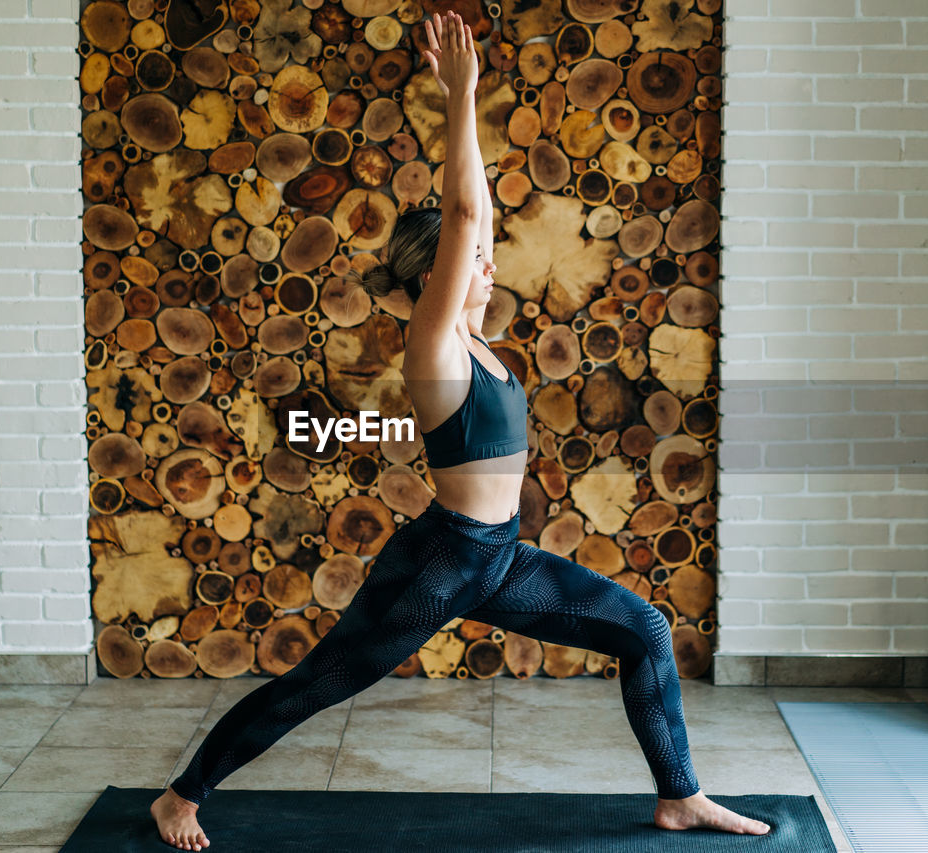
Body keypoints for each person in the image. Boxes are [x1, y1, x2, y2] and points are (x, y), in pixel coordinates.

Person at [150, 12, 770, 850]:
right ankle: (182, 796)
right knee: (320, 682)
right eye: (469, 257)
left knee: (645, 629)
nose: (486, 260)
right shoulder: (434, 344)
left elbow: (471, 226)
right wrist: (462, 96)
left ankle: (679, 795)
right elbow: (464, 215)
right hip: (442, 564)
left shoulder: (479, 343)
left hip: (497, 555)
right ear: (436, 272)